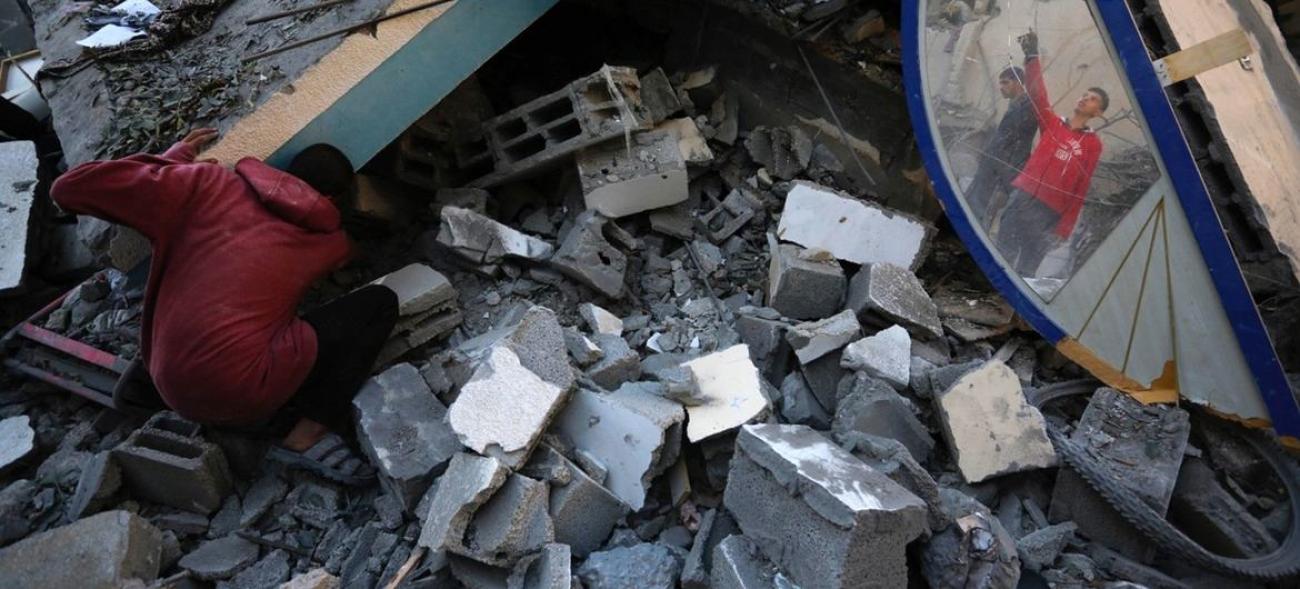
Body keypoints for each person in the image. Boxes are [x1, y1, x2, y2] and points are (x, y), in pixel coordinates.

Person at [50, 129, 397, 484]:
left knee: (207, 303)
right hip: (240, 387)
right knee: (378, 304)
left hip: (164, 372)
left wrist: (171, 161)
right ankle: (303, 431)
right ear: (333, 198)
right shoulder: (329, 244)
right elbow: (354, 252)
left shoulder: (207, 184)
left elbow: (67, 188)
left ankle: (153, 395)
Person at [995, 30, 1107, 277]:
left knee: (1027, 267)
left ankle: (1012, 310)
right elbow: (1038, 95)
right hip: (1022, 197)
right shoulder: (1054, 124)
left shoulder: (1092, 145)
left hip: (1048, 213)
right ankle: (986, 299)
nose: (1085, 99)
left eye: (1092, 100)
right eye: (1085, 95)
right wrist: (1032, 57)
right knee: (1002, 253)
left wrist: (1064, 228)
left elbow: (1081, 185)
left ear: (1098, 112)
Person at [965, 65, 1038, 228]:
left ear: (1019, 83)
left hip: (999, 176)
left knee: (979, 217)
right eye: (1000, 83)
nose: (1001, 87)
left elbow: (1017, 147)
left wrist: (1004, 184)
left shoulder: (1027, 108)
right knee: (971, 209)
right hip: (991, 171)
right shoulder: (1015, 106)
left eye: (1005, 83)